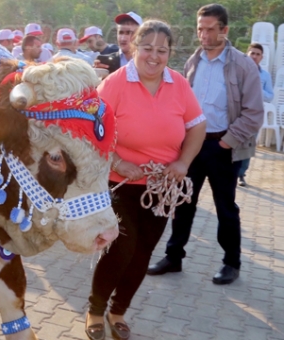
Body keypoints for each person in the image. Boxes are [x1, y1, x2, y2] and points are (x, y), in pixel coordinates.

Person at [85, 20, 206, 340]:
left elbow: (197, 126)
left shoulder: (178, 83)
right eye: (148, 48)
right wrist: (118, 161)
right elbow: (92, 131)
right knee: (121, 248)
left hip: (161, 186)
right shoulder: (114, 83)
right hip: (118, 183)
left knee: (143, 252)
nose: (154, 56)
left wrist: (183, 162)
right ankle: (96, 309)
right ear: (135, 48)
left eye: (162, 50)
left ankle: (119, 311)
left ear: (170, 53)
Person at [147, 4, 264, 286]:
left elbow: (254, 112)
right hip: (192, 147)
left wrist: (226, 142)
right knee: (183, 203)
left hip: (223, 147)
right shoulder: (193, 62)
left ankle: (231, 263)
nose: (204, 34)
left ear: (225, 30)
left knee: (226, 208)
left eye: (210, 29)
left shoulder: (243, 65)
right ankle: (173, 257)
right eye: (200, 28)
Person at [238, 43, 274, 186]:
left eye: (257, 54)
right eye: (252, 53)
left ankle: (241, 174)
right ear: (247, 54)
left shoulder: (265, 76)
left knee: (248, 145)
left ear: (261, 57)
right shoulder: (238, 71)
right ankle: (226, 173)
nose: (254, 56)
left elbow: (270, 96)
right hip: (236, 113)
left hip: (253, 116)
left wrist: (257, 86)